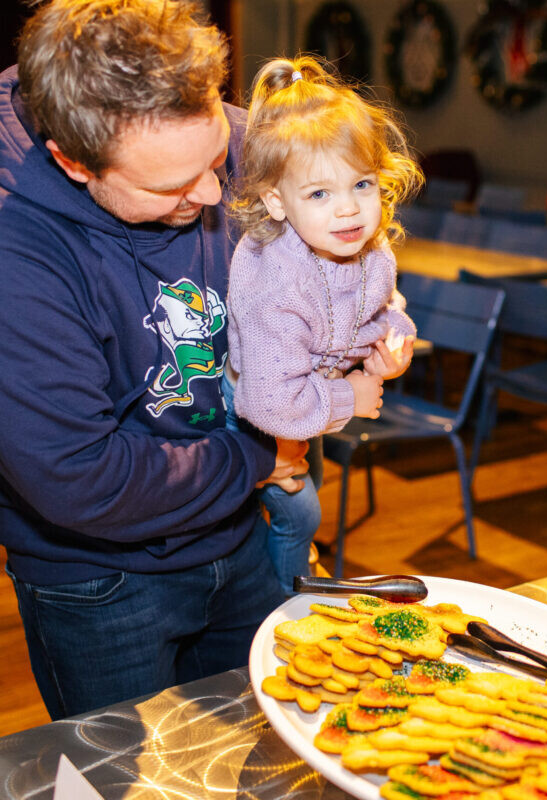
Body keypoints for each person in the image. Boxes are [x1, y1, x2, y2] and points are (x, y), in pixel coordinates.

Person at [0, 0, 309, 721]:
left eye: (214, 162)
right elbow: (79, 479)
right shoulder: (18, 248)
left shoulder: (232, 137)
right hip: (98, 584)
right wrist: (263, 453)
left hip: (240, 536)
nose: (211, 195)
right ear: (72, 163)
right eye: (171, 187)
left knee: (265, 752)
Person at [223, 56, 421, 594]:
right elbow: (267, 403)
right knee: (301, 515)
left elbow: (382, 305)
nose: (349, 211)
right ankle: (284, 600)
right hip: (257, 402)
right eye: (319, 194)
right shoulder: (277, 282)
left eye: (361, 185)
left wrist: (393, 340)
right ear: (276, 202)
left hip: (308, 393)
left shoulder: (368, 247)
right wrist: (349, 397)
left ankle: (289, 566)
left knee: (313, 491)